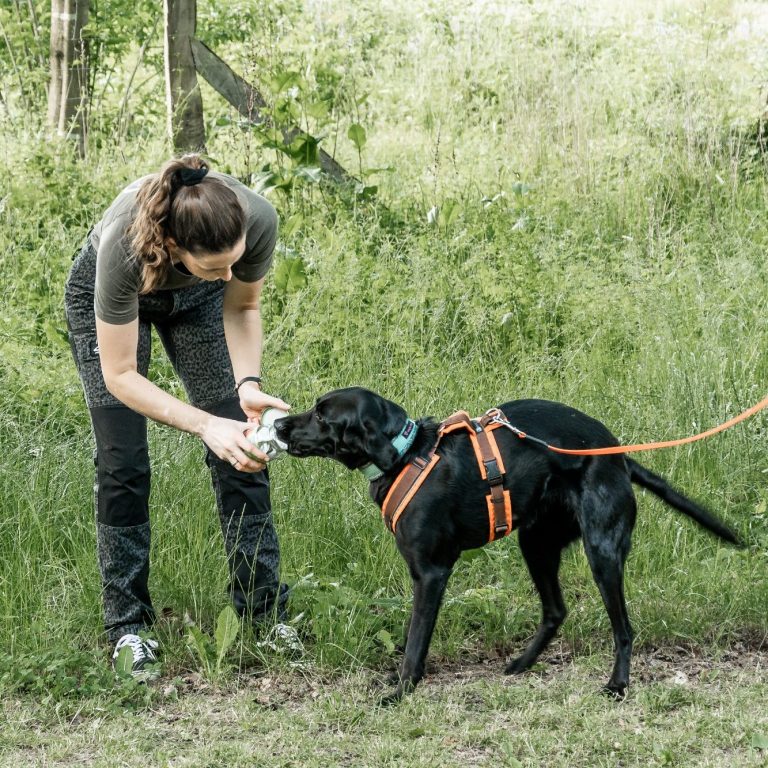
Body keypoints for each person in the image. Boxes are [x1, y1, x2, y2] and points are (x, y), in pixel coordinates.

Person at [64, 153, 290, 679]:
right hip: (115, 301)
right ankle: (128, 628)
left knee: (243, 446)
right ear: (170, 245)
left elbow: (241, 305)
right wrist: (203, 423)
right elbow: (120, 376)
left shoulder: (255, 221)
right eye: (219, 267)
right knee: (123, 461)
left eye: (235, 262)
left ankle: (263, 613)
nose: (232, 273)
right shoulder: (125, 245)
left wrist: (247, 387)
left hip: (199, 303)